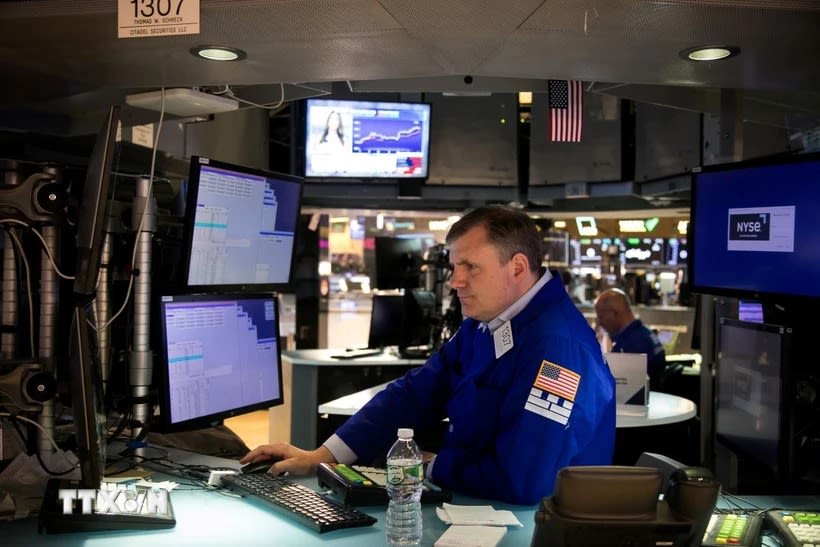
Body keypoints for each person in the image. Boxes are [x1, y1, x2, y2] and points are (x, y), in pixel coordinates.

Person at [241, 205, 616, 505]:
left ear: (517, 267)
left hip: (532, 527)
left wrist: (430, 467)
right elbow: (416, 392)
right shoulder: (490, 321)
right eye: (454, 267)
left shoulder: (558, 349)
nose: (455, 281)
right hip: (476, 504)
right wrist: (324, 455)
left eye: (471, 267)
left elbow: (524, 480)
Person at [594, 288, 667, 388]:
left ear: (615, 312)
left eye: (601, 317)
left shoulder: (630, 347)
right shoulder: (644, 334)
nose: (600, 323)